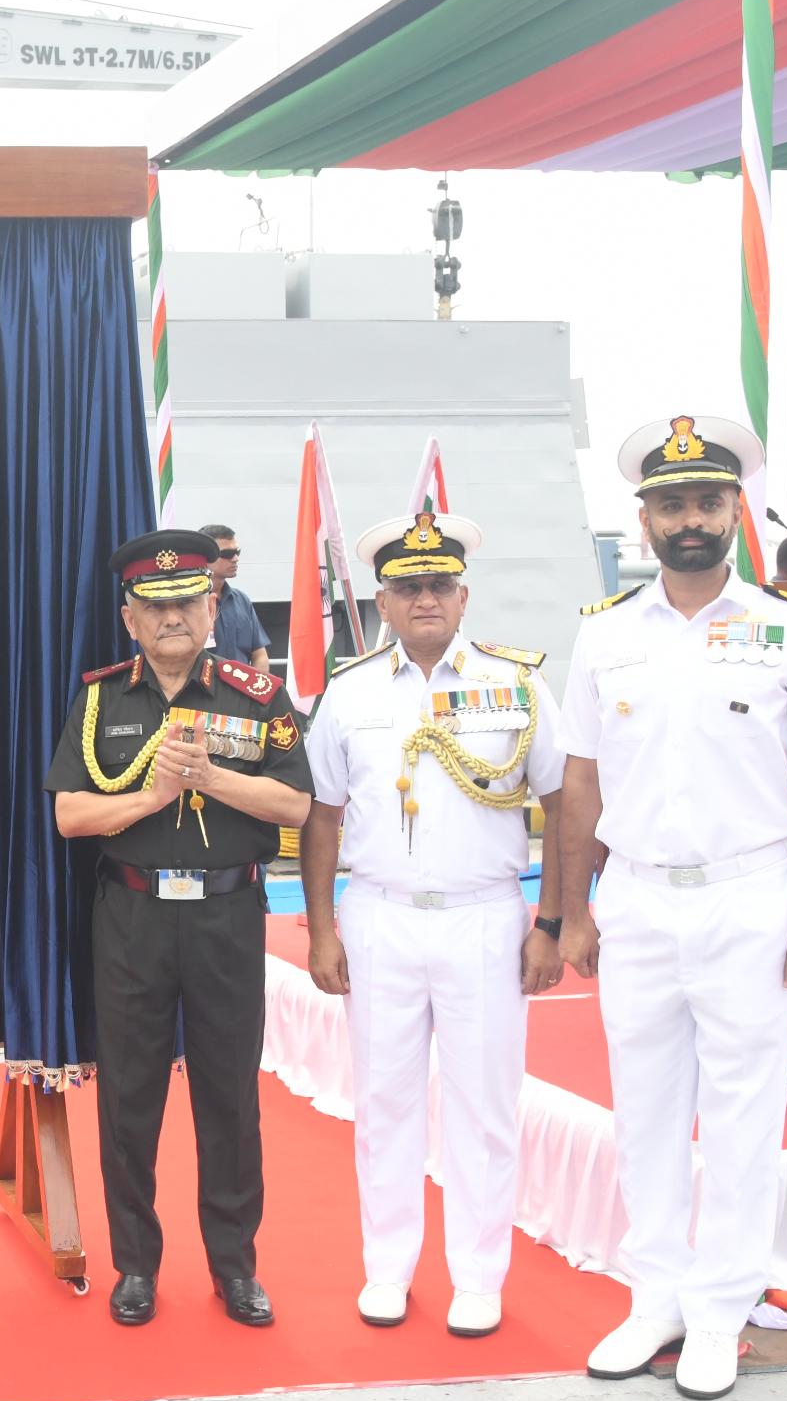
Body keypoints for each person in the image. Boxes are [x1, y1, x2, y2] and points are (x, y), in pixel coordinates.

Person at [559, 416, 787, 1400]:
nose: (688, 519)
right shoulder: (603, 632)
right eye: (670, 504)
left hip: (749, 896)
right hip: (637, 896)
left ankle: (721, 1307)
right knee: (644, 1109)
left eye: (706, 501)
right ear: (642, 519)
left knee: (741, 1114)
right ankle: (655, 1294)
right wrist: (572, 911)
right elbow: (578, 781)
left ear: (736, 511)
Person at [300, 513, 566, 1338]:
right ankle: (388, 1267)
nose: (425, 599)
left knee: (484, 1106)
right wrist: (320, 931)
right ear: (382, 601)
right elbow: (320, 816)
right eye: (408, 587)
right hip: (379, 916)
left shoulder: (516, 684)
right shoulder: (350, 691)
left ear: (463, 596)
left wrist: (554, 922)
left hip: (483, 918)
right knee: (384, 1102)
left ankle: (479, 1277)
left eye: (439, 585)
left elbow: (565, 802)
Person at [47, 528, 313, 1327]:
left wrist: (212, 780)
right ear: (128, 617)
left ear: (213, 607)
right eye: (155, 605)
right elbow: (70, 815)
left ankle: (235, 1268)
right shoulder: (101, 701)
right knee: (129, 1100)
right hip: (132, 918)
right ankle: (136, 1266)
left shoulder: (257, 697)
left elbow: (296, 805)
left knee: (229, 1098)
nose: (172, 618)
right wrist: (151, 799)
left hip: (227, 917)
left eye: (187, 602)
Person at [195, 525, 271, 670]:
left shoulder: (242, 600)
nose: (235, 558)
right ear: (205, 556)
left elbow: (260, 655)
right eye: (227, 553)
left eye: (237, 552)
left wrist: (257, 683)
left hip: (242, 683)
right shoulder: (189, 603)